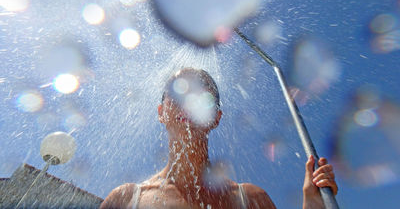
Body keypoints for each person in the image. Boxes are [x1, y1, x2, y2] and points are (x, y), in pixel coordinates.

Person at [100, 68, 338, 209]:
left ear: (215, 118)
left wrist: (314, 203)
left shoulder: (251, 199)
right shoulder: (125, 200)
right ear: (161, 113)